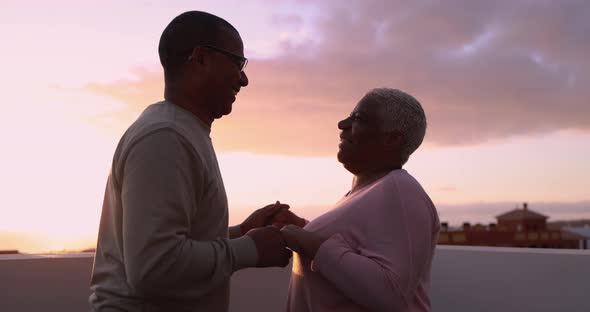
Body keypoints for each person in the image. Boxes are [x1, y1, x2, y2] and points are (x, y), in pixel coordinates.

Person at [89, 11, 294, 312]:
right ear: (200, 58)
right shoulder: (165, 138)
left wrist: (240, 232)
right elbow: (153, 267)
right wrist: (250, 249)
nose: (244, 79)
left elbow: (174, 241)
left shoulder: (178, 131)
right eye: (238, 63)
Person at [280, 88, 441, 312]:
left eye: (359, 119)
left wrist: (309, 243)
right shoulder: (370, 191)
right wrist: (304, 229)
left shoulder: (400, 189)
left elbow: (392, 293)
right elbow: (354, 249)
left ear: (392, 139)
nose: (342, 124)